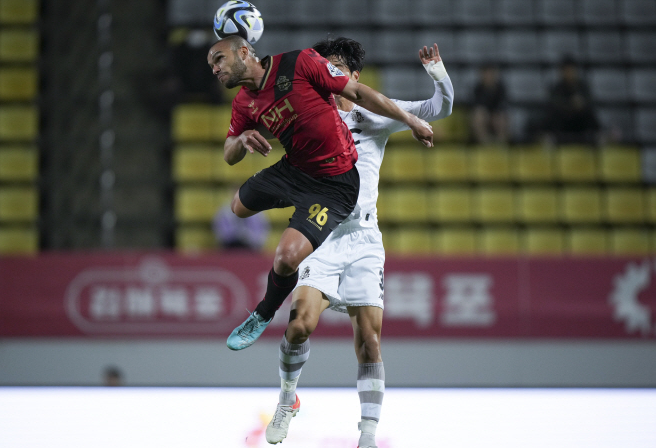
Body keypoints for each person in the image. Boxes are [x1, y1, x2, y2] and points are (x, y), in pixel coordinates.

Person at [247, 38, 453, 447]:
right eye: (325, 67)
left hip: (362, 238)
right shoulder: (306, 115)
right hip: (320, 234)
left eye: (338, 67)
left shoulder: (376, 113)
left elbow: (440, 108)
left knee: (370, 339)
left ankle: (368, 435)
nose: (330, 75)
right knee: (300, 325)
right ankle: (288, 399)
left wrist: (438, 74)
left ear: (354, 77)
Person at [208, 35, 434, 358]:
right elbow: (229, 153)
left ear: (244, 52)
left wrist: (409, 119)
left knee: (286, 258)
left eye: (219, 59)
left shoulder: (299, 63)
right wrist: (242, 137)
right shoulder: (243, 102)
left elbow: (356, 92)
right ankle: (301, 205)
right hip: (295, 170)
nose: (215, 69)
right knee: (237, 207)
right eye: (211, 65)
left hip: (334, 184)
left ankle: (263, 312)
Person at [530, 55, 600, 145]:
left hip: (579, 120)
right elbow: (555, 105)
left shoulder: (583, 87)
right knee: (550, 116)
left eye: (571, 70)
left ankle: (597, 137)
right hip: (562, 121)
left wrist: (581, 104)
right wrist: (571, 105)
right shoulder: (556, 88)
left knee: (589, 114)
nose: (569, 73)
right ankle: (550, 139)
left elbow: (588, 102)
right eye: (566, 70)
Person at [470, 64, 509, 144]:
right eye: (486, 74)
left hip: (496, 114)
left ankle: (501, 145)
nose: (488, 76)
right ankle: (485, 144)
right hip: (484, 115)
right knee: (479, 117)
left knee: (501, 119)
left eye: (490, 74)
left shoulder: (500, 88)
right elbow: (477, 106)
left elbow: (502, 105)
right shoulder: (477, 88)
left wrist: (494, 115)